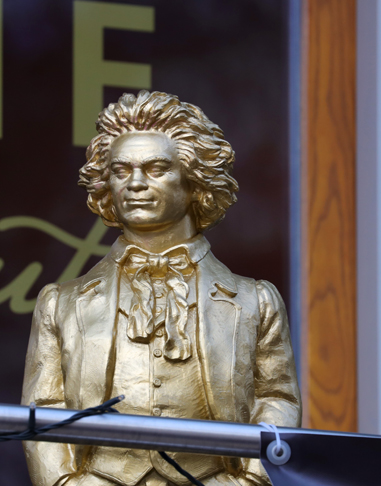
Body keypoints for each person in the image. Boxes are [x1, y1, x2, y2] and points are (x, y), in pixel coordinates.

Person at [22, 91, 301, 486]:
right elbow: (44, 407)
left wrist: (249, 482)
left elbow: (276, 400)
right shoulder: (60, 304)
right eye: (121, 171)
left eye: (156, 168)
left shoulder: (255, 301)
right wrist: (67, 483)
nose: (135, 184)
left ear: (194, 180)